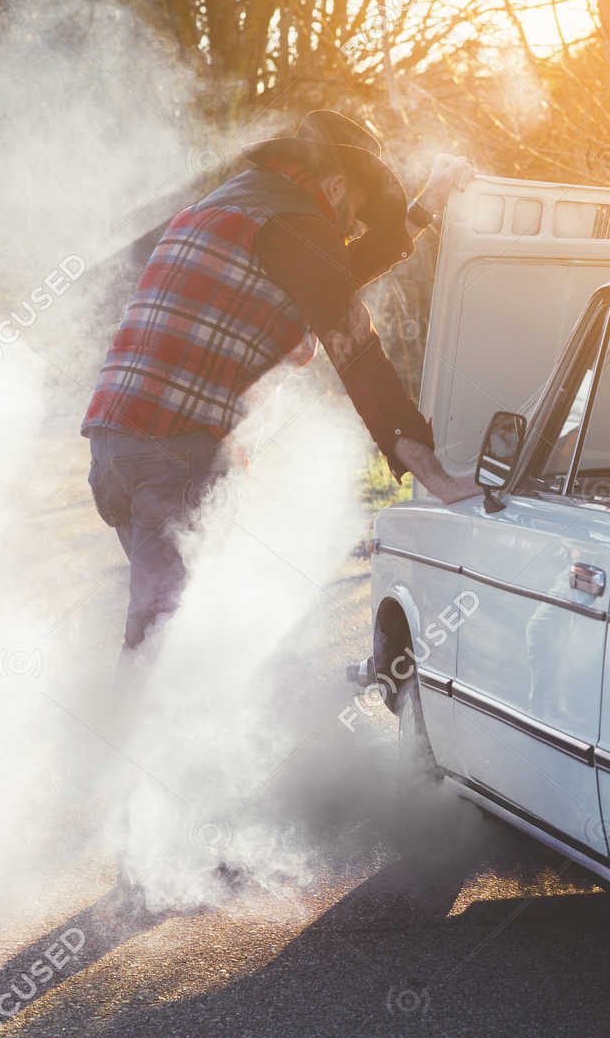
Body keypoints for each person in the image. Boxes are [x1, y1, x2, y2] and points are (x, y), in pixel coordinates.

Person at [82, 110, 480, 650]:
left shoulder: (231, 204)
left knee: (172, 616)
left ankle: (147, 726)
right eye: (357, 214)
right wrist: (433, 472)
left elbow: (324, 279)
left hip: (115, 444)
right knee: (165, 635)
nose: (351, 229)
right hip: (173, 449)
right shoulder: (297, 223)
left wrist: (424, 208)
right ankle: (130, 731)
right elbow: (352, 346)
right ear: (337, 186)